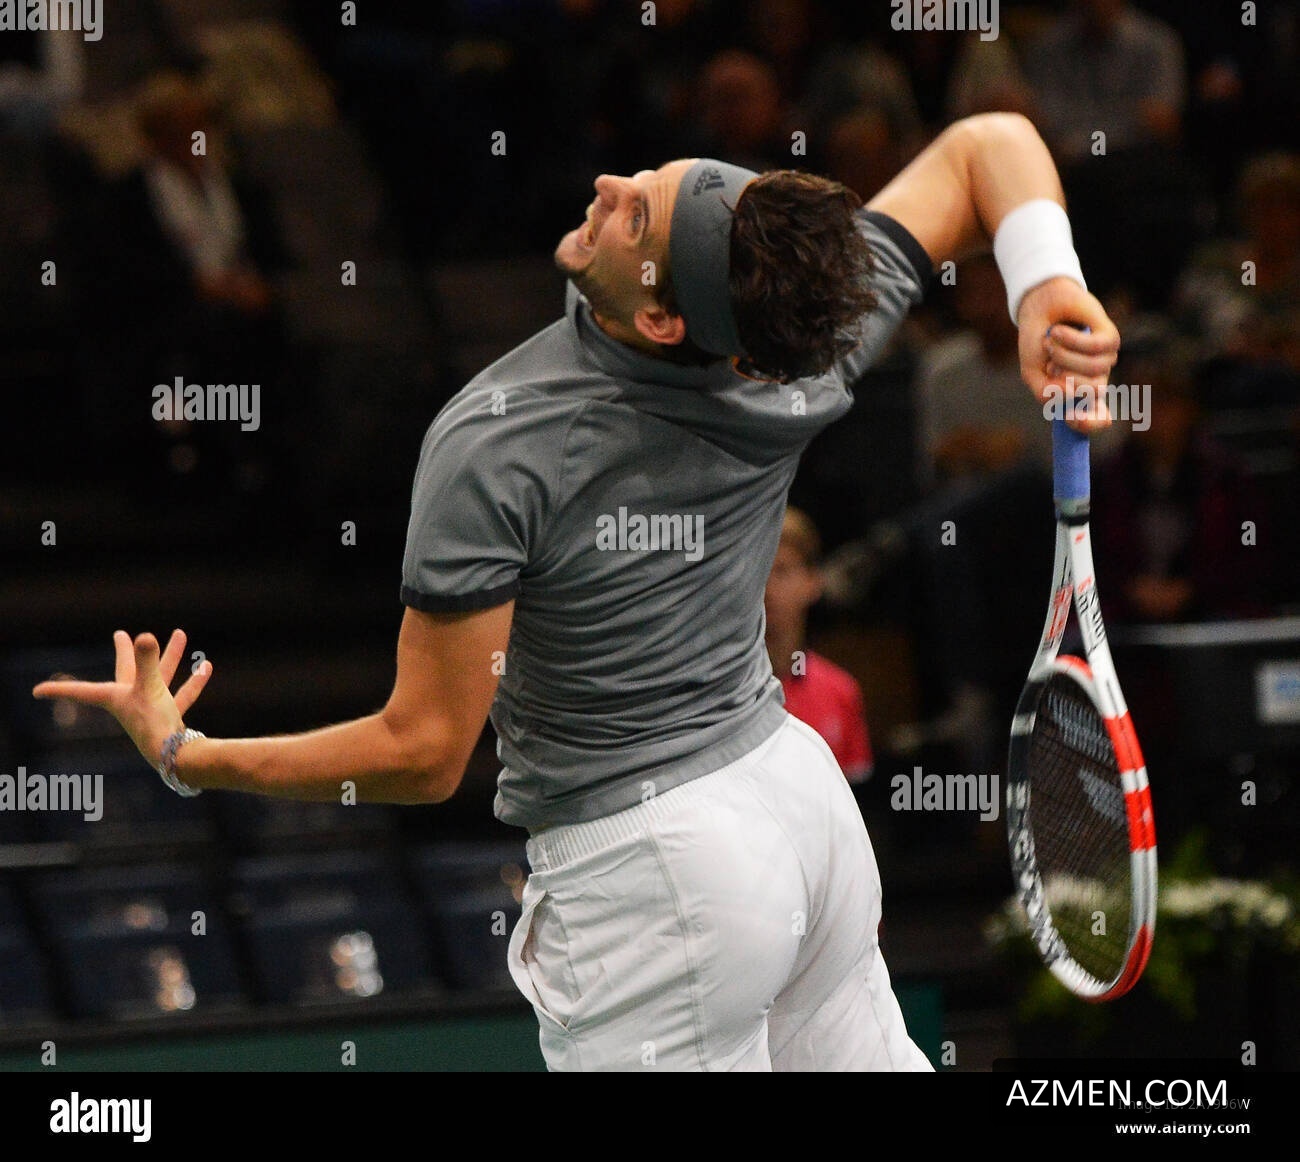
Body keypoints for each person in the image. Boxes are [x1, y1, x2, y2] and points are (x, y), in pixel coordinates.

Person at [34, 112, 1120, 1071]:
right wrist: (1049, 286)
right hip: (802, 814)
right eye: (643, 179)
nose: (607, 187)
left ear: (661, 320)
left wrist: (192, 755)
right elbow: (988, 146)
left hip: (664, 880)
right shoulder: (800, 349)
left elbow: (424, 751)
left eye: (635, 214)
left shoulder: (494, 438)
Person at [764, 506, 873, 784]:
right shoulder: (724, 694)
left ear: (813, 582)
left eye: (782, 570)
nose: (768, 587)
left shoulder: (840, 691)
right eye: (760, 570)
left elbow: (855, 795)